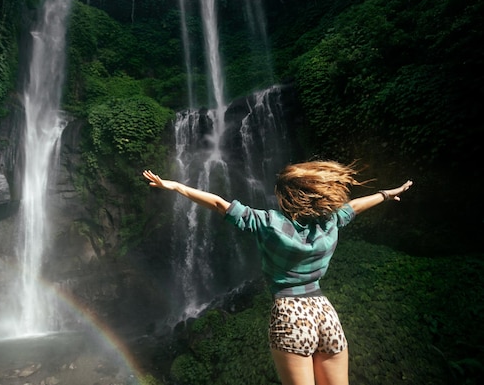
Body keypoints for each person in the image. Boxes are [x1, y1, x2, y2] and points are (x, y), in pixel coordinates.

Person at [142, 161, 413, 385]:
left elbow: (219, 204)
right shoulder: (330, 222)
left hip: (290, 314)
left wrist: (175, 185)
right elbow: (353, 206)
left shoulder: (269, 224)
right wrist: (386, 195)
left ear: (288, 197)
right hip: (325, 312)